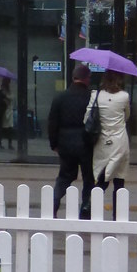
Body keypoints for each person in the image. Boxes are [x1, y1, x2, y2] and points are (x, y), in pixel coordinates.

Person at [47, 63, 95, 218]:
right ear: (87, 79)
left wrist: (54, 143)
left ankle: (54, 202)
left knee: (65, 176)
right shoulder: (91, 98)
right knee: (89, 178)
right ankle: (86, 209)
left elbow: (52, 122)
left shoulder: (60, 97)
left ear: (74, 77)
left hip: (65, 143)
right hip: (86, 144)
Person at [86, 68, 131, 220]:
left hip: (102, 141)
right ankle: (117, 216)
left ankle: (92, 208)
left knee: (102, 175)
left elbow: (87, 118)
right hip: (120, 141)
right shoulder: (124, 96)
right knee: (119, 180)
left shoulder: (96, 95)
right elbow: (127, 116)